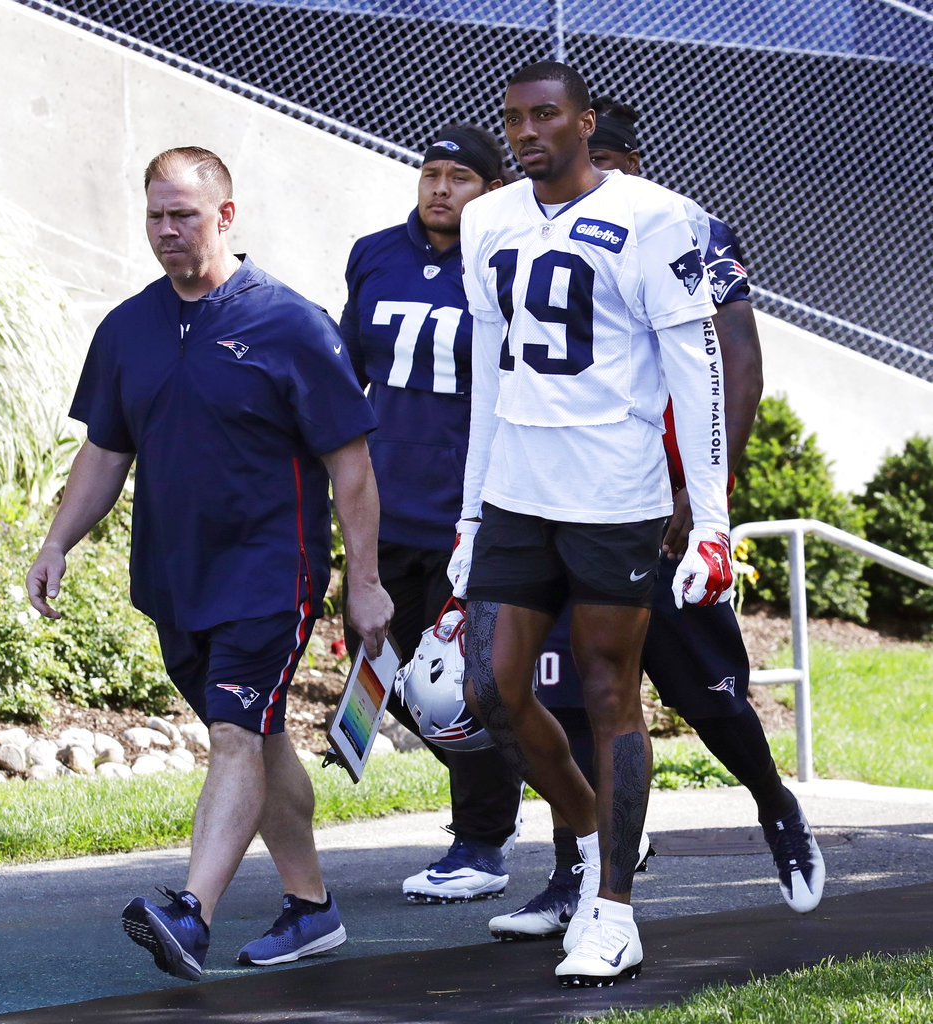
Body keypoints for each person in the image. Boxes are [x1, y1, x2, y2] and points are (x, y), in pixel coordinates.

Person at [25, 147, 392, 981]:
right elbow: (104, 452)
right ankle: (312, 908)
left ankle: (191, 913)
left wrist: (362, 582)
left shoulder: (290, 323)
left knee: (233, 733)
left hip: (269, 576)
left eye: (182, 214)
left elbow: (352, 467)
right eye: (154, 214)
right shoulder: (127, 327)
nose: (165, 230)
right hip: (173, 582)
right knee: (256, 740)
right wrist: (55, 542)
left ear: (226, 216)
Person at [487, 99, 824, 944]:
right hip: (562, 498)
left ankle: (775, 806)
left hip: (659, 502)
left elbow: (737, 359)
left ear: (626, 161)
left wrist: (699, 496)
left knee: (705, 694)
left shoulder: (687, 230)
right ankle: (582, 872)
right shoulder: (531, 229)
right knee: (565, 694)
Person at [449, 61, 734, 986]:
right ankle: (587, 829)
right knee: (492, 691)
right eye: (513, 119)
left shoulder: (657, 217)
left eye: (544, 116)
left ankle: (613, 909)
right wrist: (467, 509)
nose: (525, 132)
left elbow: (698, 369)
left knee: (611, 693)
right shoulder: (488, 218)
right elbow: (490, 372)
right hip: (518, 492)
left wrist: (712, 520)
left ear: (583, 121)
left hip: (616, 493)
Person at [339, 125, 527, 903]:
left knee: (462, 685)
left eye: (460, 177)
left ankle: (481, 844)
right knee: (392, 677)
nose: (441, 187)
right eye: (431, 172)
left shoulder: (506, 264)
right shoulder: (373, 253)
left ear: (491, 188)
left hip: (466, 518)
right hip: (382, 510)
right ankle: (532, 782)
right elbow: (344, 372)